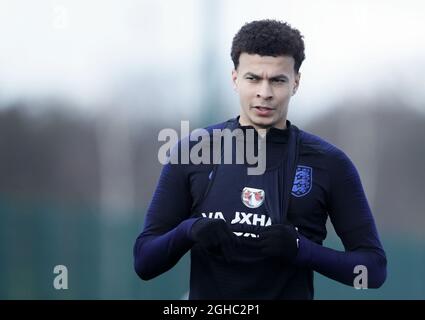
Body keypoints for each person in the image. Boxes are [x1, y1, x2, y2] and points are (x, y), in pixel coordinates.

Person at [133, 19, 387, 299]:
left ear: (296, 83)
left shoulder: (329, 164)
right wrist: (188, 231)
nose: (264, 93)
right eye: (253, 78)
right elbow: (144, 263)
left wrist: (303, 250)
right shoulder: (192, 152)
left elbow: (373, 272)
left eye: (277, 80)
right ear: (235, 79)